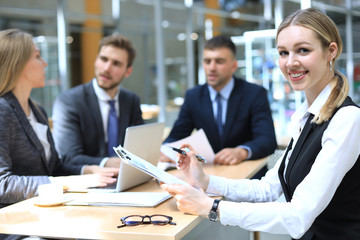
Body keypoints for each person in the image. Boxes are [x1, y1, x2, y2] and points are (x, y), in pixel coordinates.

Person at [161, 8, 360, 240]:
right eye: (283, 53)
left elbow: (297, 216)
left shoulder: (347, 119)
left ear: (331, 52)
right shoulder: (306, 116)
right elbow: (267, 188)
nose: (291, 62)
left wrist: (212, 208)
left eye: (303, 50)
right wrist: (205, 181)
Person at [0, 29, 117, 209]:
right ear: (18, 64)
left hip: (48, 212)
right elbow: (3, 185)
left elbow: (54, 169)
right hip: (15, 225)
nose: (44, 63)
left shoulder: (37, 110)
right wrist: (68, 183)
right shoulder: (3, 110)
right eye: (38, 56)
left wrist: (87, 170)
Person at [161, 35, 277, 177]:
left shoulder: (254, 94)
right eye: (207, 61)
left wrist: (242, 151)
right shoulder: (194, 96)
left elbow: (267, 140)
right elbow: (177, 135)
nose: (212, 67)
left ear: (233, 66)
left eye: (219, 61)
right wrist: (166, 151)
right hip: (208, 174)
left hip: (247, 176)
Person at [52, 34, 144, 173]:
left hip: (126, 179)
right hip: (88, 183)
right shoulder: (69, 101)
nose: (107, 68)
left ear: (128, 71)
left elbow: (139, 147)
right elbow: (69, 157)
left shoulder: (131, 100)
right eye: (103, 59)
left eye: (116, 63)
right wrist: (108, 163)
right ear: (96, 60)